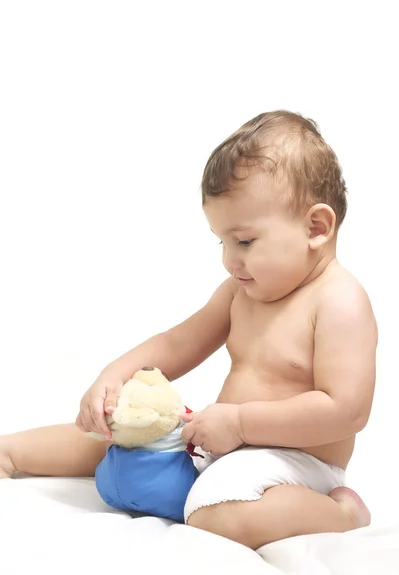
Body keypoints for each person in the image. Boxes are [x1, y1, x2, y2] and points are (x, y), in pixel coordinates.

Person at [0, 110, 377, 549]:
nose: (229, 260)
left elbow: (346, 410)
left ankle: (340, 514)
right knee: (118, 435)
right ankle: (10, 450)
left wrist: (241, 422)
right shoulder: (240, 293)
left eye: (245, 241)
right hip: (222, 444)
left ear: (316, 227)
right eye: (222, 242)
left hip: (294, 461)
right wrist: (115, 376)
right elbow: (178, 343)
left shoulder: (339, 302)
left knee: (216, 518)